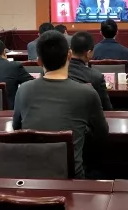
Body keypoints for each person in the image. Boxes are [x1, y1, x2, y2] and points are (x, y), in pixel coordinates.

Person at [13, 31, 109, 178]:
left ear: (39, 61)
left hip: (31, 178)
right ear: (69, 55)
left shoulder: (23, 90)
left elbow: (17, 127)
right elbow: (101, 133)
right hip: (72, 179)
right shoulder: (87, 93)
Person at [68, 31, 113, 111]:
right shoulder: (96, 77)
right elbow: (106, 109)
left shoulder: (58, 72)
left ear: (70, 51)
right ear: (89, 53)